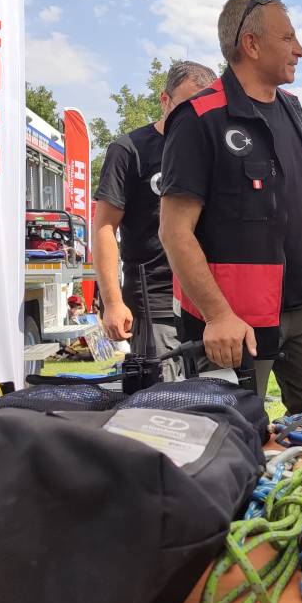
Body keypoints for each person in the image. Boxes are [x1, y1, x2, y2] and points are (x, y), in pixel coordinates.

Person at [159, 0, 302, 415]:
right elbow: (174, 231)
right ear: (251, 45)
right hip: (236, 325)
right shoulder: (200, 118)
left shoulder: (293, 109)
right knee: (228, 439)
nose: (300, 49)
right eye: (288, 37)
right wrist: (217, 316)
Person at [93, 60, 216, 379]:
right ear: (165, 100)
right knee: (163, 409)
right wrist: (112, 302)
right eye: (187, 105)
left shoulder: (215, 149)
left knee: (219, 402)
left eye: (205, 105)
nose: (195, 114)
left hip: (212, 302)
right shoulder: (129, 149)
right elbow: (105, 228)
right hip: (157, 304)